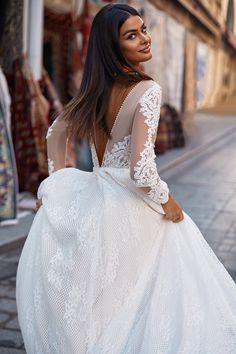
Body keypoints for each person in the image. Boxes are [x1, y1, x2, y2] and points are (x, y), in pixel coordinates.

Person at [16, 4, 236, 353]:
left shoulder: (94, 91)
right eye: (131, 36)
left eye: (144, 30)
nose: (145, 39)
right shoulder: (147, 89)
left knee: (106, 300)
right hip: (133, 207)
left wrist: (54, 183)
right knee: (145, 299)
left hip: (98, 199)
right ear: (112, 46)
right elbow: (141, 170)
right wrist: (168, 201)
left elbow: (55, 133)